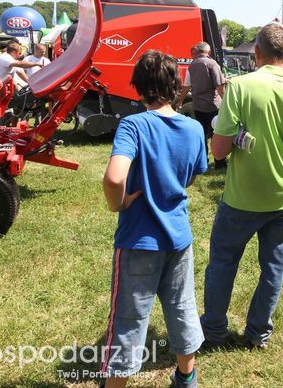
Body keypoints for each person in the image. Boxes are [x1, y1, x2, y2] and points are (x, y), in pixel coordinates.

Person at [201, 23, 283, 349]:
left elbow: (219, 150)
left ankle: (213, 331)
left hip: (241, 199)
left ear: (257, 53)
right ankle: (258, 333)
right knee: (273, 269)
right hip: (282, 200)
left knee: (223, 263)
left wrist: (243, 139)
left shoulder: (240, 87)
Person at [100, 50, 206, 388]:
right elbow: (190, 177)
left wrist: (119, 203)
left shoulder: (133, 125)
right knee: (182, 306)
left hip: (138, 240)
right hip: (179, 236)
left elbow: (114, 178)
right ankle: (186, 377)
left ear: (137, 87)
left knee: (128, 318)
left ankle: (115, 383)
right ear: (176, 86)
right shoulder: (193, 128)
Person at [175, 42, 227, 169]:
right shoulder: (212, 64)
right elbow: (219, 86)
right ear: (208, 52)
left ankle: (203, 162)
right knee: (217, 134)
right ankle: (219, 163)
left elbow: (187, 86)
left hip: (198, 106)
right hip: (213, 106)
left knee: (202, 134)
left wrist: (180, 100)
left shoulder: (191, 66)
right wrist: (226, 101)